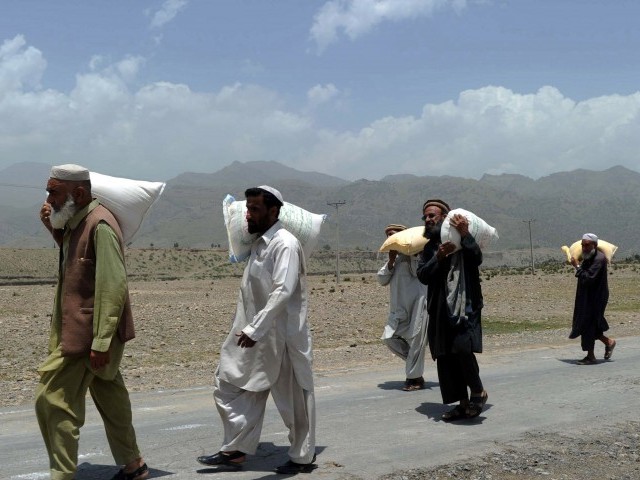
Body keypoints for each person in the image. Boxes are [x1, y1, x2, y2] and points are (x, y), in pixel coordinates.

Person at [36, 164, 148, 480]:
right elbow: (77, 262)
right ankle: (134, 465)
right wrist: (53, 227)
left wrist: (101, 343)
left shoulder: (100, 226)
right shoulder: (78, 223)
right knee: (111, 398)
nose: (49, 198)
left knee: (52, 401)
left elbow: (113, 287)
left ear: (79, 193)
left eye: (54, 191)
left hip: (88, 336)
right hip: (89, 332)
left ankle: (62, 474)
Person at [197, 186, 316, 474]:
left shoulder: (284, 244)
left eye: (255, 209)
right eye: (247, 208)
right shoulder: (258, 245)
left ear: (273, 211)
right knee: (231, 384)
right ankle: (235, 449)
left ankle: (302, 457)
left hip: (282, 335)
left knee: (293, 400)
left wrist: (256, 328)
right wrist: (250, 328)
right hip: (252, 334)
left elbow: (283, 290)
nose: (248, 214)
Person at [416, 199, 488, 421]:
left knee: (461, 348)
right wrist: (438, 257)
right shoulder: (429, 248)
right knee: (445, 355)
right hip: (439, 309)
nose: (428, 220)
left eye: (432, 216)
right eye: (425, 217)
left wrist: (465, 234)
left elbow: (476, 258)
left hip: (465, 306)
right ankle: (462, 403)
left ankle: (478, 391)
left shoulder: (463, 241)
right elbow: (423, 276)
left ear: (444, 218)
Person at [377, 223, 429, 391]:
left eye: (394, 234)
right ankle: (414, 366)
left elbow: (418, 273)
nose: (390, 237)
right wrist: (391, 260)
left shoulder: (415, 256)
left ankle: (414, 379)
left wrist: (414, 254)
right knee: (389, 337)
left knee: (416, 343)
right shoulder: (393, 259)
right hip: (398, 308)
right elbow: (382, 279)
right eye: (388, 235)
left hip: (417, 306)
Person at [569, 233, 616, 365]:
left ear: (594, 245)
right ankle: (609, 342)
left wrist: (577, 266)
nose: (584, 248)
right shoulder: (588, 258)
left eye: (587, 245)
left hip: (596, 297)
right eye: (582, 245)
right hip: (587, 296)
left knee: (588, 324)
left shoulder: (599, 259)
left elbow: (589, 278)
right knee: (591, 324)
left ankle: (591, 356)